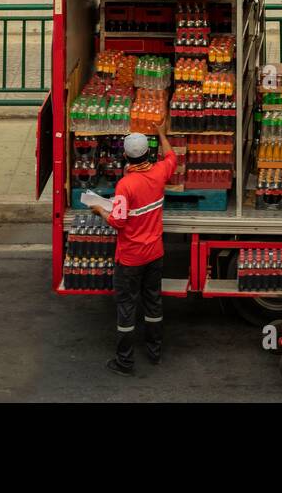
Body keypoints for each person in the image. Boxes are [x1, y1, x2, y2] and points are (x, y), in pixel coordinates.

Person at [89, 117, 177, 377]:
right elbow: (171, 157)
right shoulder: (159, 173)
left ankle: (125, 361)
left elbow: (118, 221)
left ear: (126, 157)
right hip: (155, 253)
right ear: (148, 153)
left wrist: (99, 209)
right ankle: (154, 351)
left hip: (130, 258)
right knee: (153, 303)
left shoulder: (125, 186)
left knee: (126, 308)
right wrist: (162, 133)